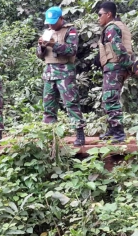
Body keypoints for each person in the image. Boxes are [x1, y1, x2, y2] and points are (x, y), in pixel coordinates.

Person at [36, 6, 86, 146]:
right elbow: (40, 55)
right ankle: (50, 136)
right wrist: (42, 47)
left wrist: (54, 44)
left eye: (53, 21)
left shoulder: (71, 30)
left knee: (71, 103)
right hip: (49, 72)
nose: (51, 24)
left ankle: (80, 133)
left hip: (65, 72)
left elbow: (72, 50)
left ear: (61, 19)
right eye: (49, 22)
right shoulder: (47, 31)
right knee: (48, 106)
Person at [95, 1, 134, 143]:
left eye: (100, 14)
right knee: (110, 98)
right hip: (116, 67)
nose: (98, 18)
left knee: (110, 99)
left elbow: (118, 48)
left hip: (115, 67)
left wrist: (128, 65)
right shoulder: (119, 26)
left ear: (108, 14)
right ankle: (113, 129)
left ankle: (118, 133)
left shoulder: (111, 28)